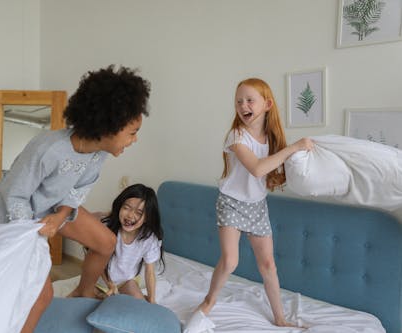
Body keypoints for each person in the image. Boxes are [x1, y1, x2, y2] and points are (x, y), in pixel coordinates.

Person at [0, 65, 151, 333]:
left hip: (53, 208)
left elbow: (76, 192)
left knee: (106, 242)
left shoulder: (99, 153)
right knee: (41, 296)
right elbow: (12, 195)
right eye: (131, 132)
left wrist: (60, 216)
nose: (134, 140)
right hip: (18, 216)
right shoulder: (49, 148)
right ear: (108, 127)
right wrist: (35, 234)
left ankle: (82, 292)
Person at [191, 78, 313, 328]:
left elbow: (276, 170)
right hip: (232, 202)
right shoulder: (236, 136)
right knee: (230, 261)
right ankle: (208, 302)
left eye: (249, 100)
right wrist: (294, 147)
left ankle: (279, 318)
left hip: (257, 206)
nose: (243, 105)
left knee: (268, 265)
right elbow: (257, 169)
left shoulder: (272, 138)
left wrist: (300, 151)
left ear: (267, 104)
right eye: (238, 101)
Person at [95, 183, 165, 303]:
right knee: (97, 305)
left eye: (139, 212)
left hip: (127, 281)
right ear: (119, 207)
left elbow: (149, 272)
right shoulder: (107, 228)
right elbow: (97, 262)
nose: (130, 215)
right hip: (101, 280)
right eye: (126, 208)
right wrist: (109, 285)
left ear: (147, 217)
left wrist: (152, 301)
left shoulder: (148, 238)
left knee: (141, 308)